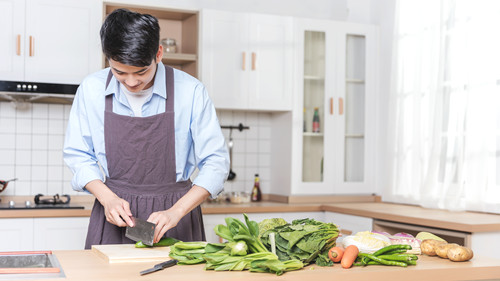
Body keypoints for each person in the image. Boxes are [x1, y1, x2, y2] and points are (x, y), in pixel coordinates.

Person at [63, 8, 229, 249]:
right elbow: (78, 155)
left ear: (158, 54)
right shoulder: (91, 90)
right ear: (108, 58)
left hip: (177, 217)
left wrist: (176, 211)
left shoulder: (191, 91)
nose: (131, 82)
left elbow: (216, 162)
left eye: (141, 72)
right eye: (119, 72)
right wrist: (106, 198)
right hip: (113, 214)